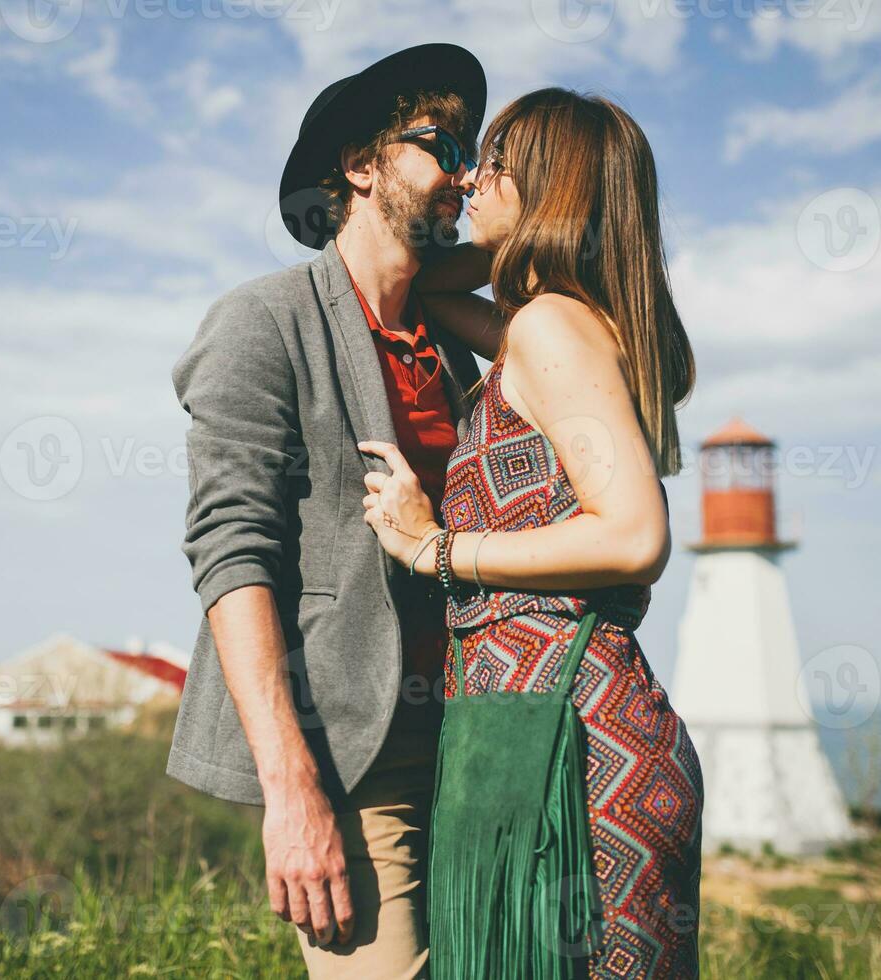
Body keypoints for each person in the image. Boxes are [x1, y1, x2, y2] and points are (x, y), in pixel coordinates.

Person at [358, 87, 704, 977]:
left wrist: (436, 548)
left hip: (573, 741)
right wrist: (510, 233)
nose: (472, 176)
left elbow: (632, 534)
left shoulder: (553, 328)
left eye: (497, 163)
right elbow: (418, 282)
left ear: (549, 187)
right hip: (534, 722)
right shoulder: (550, 329)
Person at [168, 43, 488, 978]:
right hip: (353, 754)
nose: (465, 175)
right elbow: (233, 552)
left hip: (471, 742)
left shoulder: (453, 348)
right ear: (361, 164)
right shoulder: (261, 321)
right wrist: (291, 787)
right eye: (443, 147)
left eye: (472, 155)